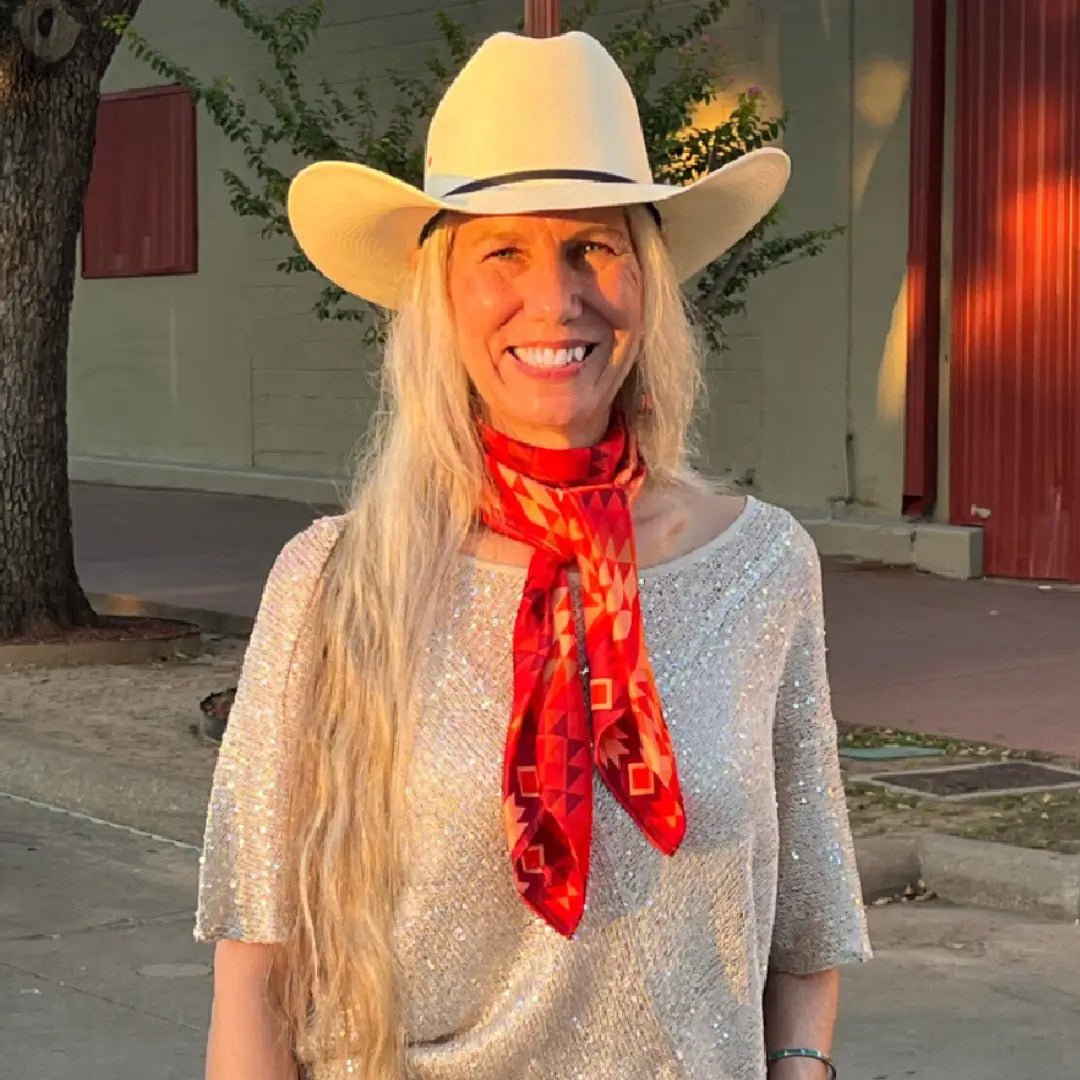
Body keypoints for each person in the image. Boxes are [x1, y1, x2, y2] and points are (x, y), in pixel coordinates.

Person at [195, 29, 871, 1080]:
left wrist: (801, 1068)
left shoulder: (762, 570)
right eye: (501, 251)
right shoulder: (336, 583)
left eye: (593, 246)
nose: (555, 302)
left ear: (645, 280)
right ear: (442, 296)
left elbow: (810, 923)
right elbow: (256, 964)